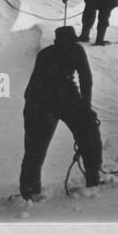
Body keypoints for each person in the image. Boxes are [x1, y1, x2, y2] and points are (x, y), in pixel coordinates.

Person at [19, 26, 103, 201]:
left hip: (37, 100)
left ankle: (29, 190)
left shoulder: (45, 53)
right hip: (58, 97)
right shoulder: (75, 49)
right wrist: (86, 107)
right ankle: (93, 177)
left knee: (35, 148)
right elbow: (85, 77)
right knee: (88, 132)